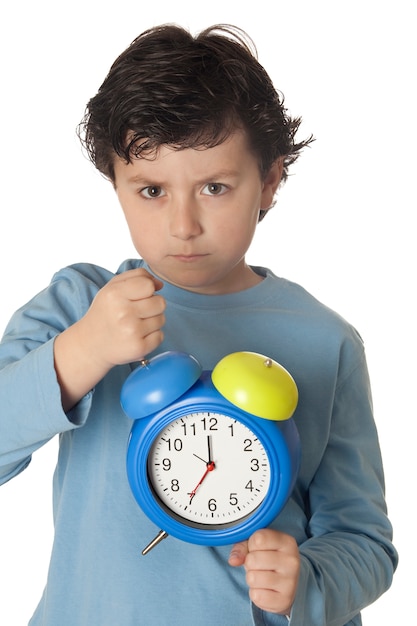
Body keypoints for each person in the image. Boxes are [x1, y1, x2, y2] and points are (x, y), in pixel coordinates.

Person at [0, 23, 397, 626]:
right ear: (116, 184)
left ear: (269, 180)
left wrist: (309, 580)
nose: (183, 224)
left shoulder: (325, 341)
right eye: (151, 189)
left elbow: (365, 541)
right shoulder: (80, 305)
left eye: (214, 186)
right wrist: (81, 353)